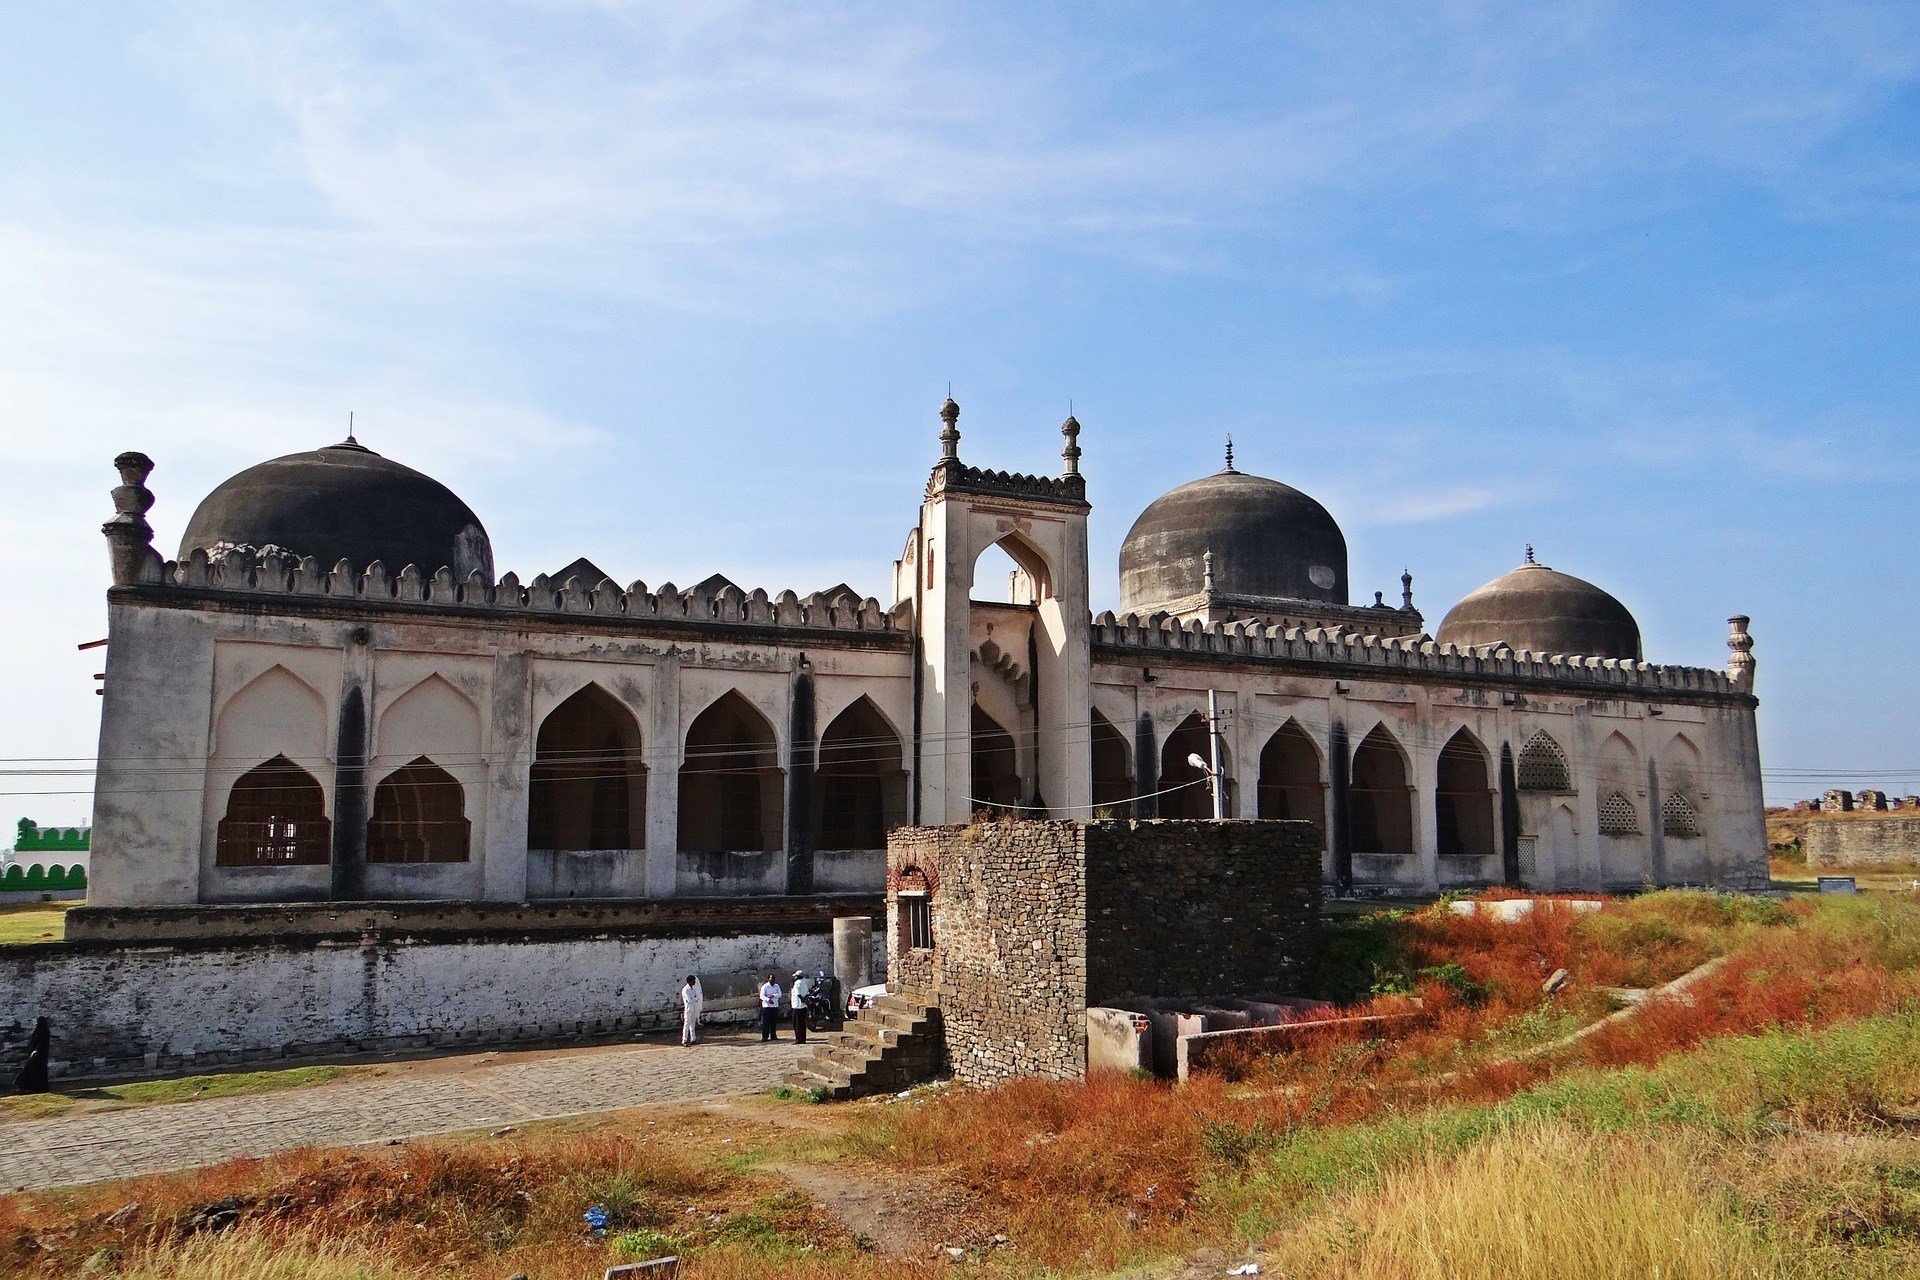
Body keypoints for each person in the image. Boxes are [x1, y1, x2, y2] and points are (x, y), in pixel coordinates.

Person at [679, 974, 703, 1047]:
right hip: (689, 1009)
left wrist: (694, 999)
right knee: (687, 1025)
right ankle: (684, 1040)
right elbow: (690, 1000)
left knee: (692, 1024)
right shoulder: (686, 989)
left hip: (693, 1008)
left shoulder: (693, 988)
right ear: (690, 981)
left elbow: (697, 997)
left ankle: (693, 1039)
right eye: (693, 981)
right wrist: (695, 999)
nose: (695, 982)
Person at [758, 973, 783, 1042]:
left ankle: (773, 1036)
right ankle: (765, 1037)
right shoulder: (765, 986)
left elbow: (780, 994)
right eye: (771, 979)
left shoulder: (776, 986)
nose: (773, 980)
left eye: (774, 979)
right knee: (766, 1022)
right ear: (768, 979)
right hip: (767, 1006)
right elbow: (762, 996)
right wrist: (768, 999)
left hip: (775, 1006)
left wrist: (773, 996)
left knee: (773, 1022)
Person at [790, 969, 812, 1044]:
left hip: (797, 1006)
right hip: (803, 1006)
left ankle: (798, 1039)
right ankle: (803, 1039)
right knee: (802, 1024)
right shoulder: (804, 983)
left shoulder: (797, 984)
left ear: (797, 976)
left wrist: (802, 1000)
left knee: (797, 1024)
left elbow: (798, 994)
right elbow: (807, 994)